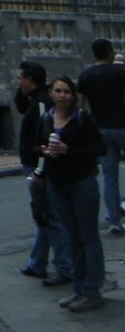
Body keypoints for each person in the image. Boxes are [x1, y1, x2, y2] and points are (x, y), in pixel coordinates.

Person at [32, 76, 107, 313]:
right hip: (58, 185)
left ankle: (92, 290)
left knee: (88, 237)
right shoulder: (46, 118)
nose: (62, 95)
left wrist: (68, 150)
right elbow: (38, 146)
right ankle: (79, 288)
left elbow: (99, 149)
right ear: (51, 93)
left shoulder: (82, 118)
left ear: (73, 95)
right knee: (72, 237)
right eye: (58, 91)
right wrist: (44, 153)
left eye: (66, 91)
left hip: (82, 183)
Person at [14, 61, 73, 284]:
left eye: (21, 77)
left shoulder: (41, 103)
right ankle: (37, 262)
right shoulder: (33, 99)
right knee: (43, 214)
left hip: (38, 165)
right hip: (36, 164)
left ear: (31, 79)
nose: (18, 81)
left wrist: (40, 169)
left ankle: (64, 267)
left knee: (49, 215)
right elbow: (19, 106)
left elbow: (43, 139)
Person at [77, 38, 125, 236]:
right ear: (110, 52)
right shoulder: (120, 72)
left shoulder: (86, 75)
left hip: (101, 129)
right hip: (123, 125)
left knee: (109, 175)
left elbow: (81, 106)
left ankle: (114, 220)